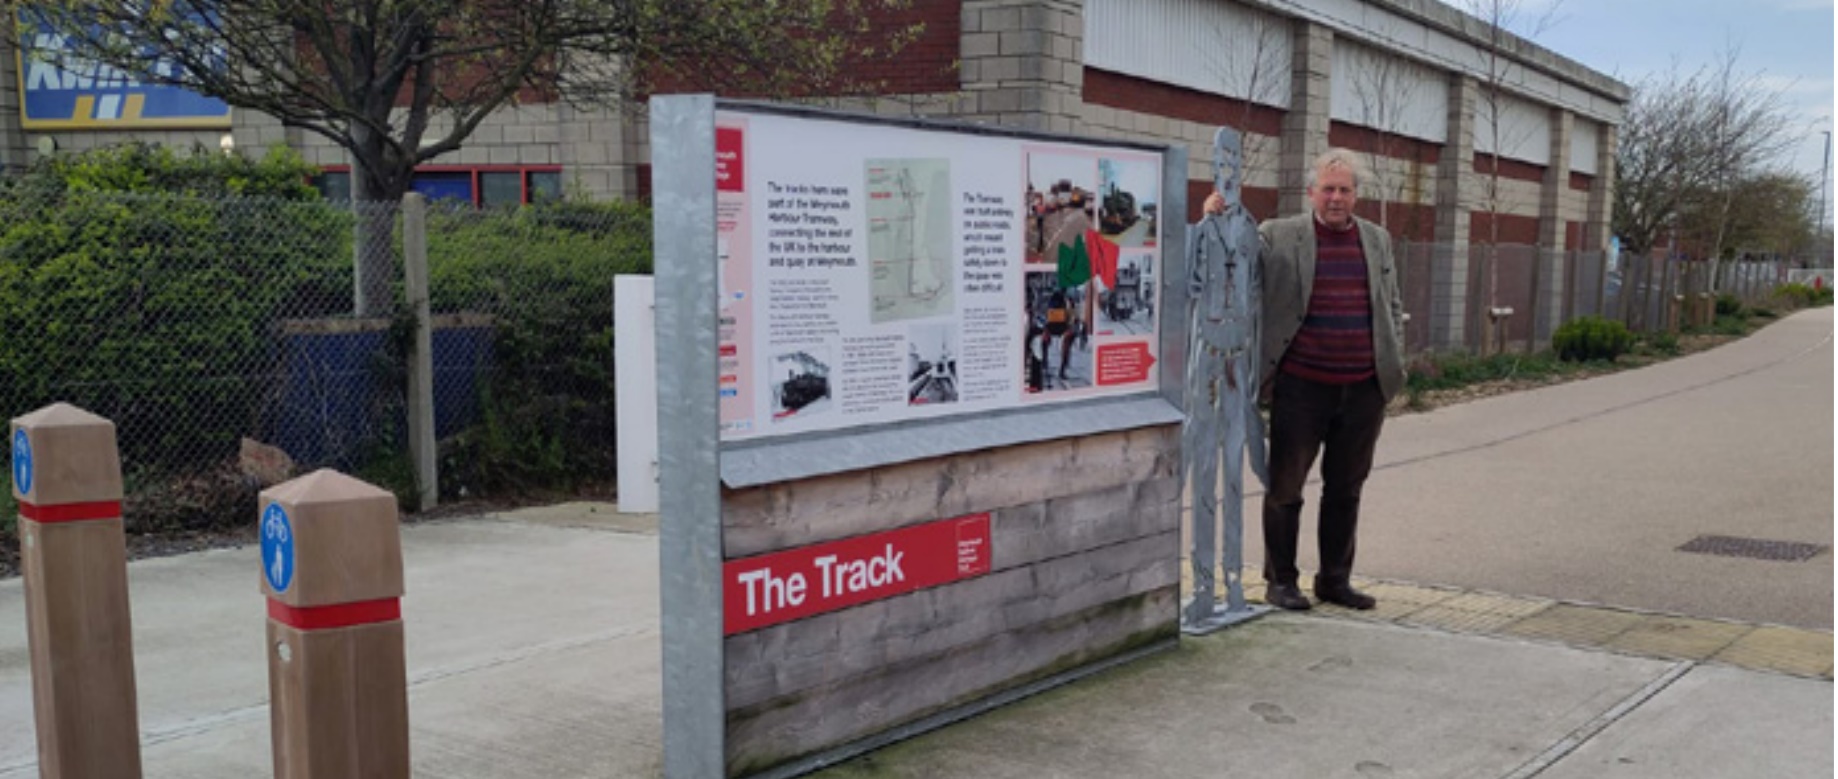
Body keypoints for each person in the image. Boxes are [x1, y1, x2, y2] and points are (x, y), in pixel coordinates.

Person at [1205, 147, 1406, 611]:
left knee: (1345, 489)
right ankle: (1281, 581)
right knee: (1286, 488)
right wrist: (1216, 216)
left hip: (1363, 388)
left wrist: (1394, 360)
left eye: (1345, 190)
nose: (1336, 198)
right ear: (1311, 191)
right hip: (1301, 387)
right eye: (1328, 189)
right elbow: (1232, 254)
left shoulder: (1377, 239)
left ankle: (1334, 580)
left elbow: (1391, 302)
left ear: (1356, 195)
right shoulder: (1280, 235)